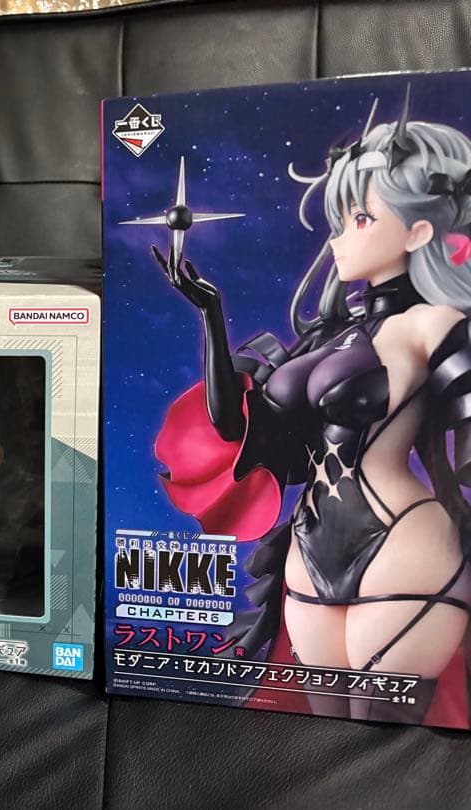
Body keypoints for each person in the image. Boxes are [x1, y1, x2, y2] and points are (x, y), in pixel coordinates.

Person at [153, 97, 471, 724]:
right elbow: (236, 428)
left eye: (360, 218)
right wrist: (211, 314)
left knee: (381, 735)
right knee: (321, 732)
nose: (337, 236)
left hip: (403, 537)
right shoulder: (328, 335)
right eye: (339, 219)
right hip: (308, 552)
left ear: (419, 232)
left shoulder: (437, 323)